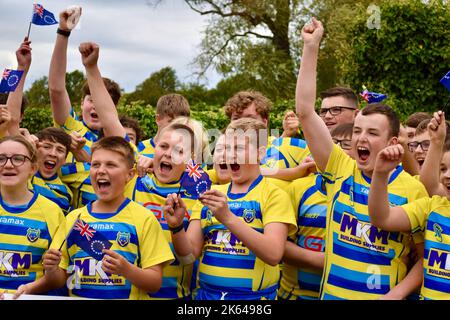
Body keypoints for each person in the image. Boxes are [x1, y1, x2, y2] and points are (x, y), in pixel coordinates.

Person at [296, 17, 428, 300]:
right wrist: (311, 47)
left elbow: (425, 257)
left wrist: (396, 295)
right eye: (357, 131)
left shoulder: (414, 188)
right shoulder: (339, 167)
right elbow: (306, 112)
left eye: (371, 132)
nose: (360, 139)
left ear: (392, 143)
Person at [13, 137, 174, 299]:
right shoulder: (74, 218)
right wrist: (53, 269)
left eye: (111, 165)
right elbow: (61, 279)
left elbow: (155, 283)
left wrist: (127, 269)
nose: (101, 170)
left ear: (130, 175)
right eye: (95, 164)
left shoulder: (144, 218)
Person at [164, 117, 297, 300]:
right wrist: (176, 227)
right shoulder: (208, 194)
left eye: (239, 149)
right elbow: (188, 257)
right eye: (225, 148)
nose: (229, 155)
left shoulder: (274, 195)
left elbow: (273, 254)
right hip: (206, 297)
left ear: (260, 154)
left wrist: (227, 218)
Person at [368, 111, 449, 300]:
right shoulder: (431, 206)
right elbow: (381, 218)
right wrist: (380, 174)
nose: (446, 175)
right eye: (443, 168)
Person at [124, 122, 204, 300]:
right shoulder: (134, 180)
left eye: (179, 150)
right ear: (154, 148)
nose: (168, 153)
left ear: (189, 159)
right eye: (163, 146)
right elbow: (110, 121)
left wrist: (176, 228)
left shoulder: (199, 195)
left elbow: (189, 258)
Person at [279, 123, 353, 300]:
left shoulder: (372, 196)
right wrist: (326, 261)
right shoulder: (298, 188)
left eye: (346, 144)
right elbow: (277, 245)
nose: (336, 149)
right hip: (295, 295)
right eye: (332, 142)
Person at [48, 8, 121, 163]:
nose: (96, 107)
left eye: (101, 103)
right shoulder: (70, 126)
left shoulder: (119, 141)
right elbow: (56, 89)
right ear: (81, 103)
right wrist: (63, 32)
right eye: (91, 100)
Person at [0, 135, 64, 295]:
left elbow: (61, 277)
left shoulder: (51, 211)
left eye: (18, 159)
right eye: (1, 158)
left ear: (33, 168)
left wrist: (30, 289)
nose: (8, 165)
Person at [31, 128, 73, 215]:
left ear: (65, 159)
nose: (53, 154)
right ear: (35, 149)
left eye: (60, 150)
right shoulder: (23, 176)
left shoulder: (67, 193)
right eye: (47, 147)